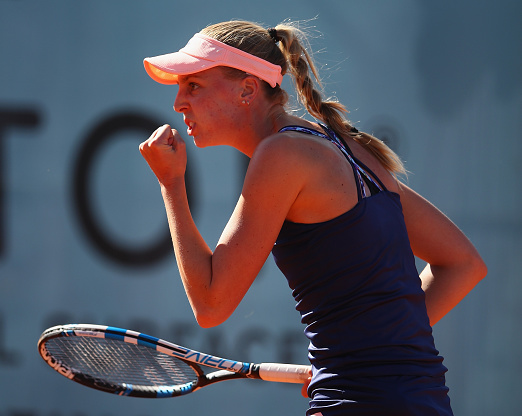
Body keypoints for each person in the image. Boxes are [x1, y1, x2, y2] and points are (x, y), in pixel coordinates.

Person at [139, 20, 486, 415]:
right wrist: (363, 352)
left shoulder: (282, 155)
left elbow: (210, 303)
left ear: (248, 89)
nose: (178, 102)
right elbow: (463, 263)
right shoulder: (350, 147)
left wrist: (171, 184)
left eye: (194, 85)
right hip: (425, 402)